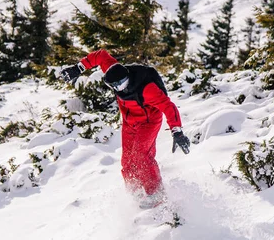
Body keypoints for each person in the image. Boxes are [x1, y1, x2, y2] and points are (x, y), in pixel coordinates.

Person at [60, 49, 191, 209]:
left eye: (119, 84)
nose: (116, 88)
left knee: (141, 156)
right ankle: (135, 193)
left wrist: (176, 131)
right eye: (112, 85)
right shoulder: (113, 71)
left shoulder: (147, 89)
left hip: (149, 122)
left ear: (126, 78)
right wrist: (78, 68)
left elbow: (168, 106)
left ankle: (156, 194)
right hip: (129, 123)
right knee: (127, 162)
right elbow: (100, 56)